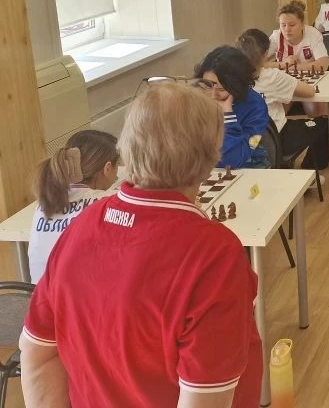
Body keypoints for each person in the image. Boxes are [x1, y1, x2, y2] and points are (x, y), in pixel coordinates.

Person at [20, 82, 263, 407]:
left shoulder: (80, 227)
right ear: (209, 158)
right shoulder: (215, 254)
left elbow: (38, 355)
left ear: (127, 147)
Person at [237, 28, 329, 171]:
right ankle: (310, 171)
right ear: (265, 54)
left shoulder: (230, 79)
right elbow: (309, 91)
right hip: (278, 138)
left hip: (244, 142)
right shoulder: (271, 76)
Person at [28, 130, 119, 283]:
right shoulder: (105, 202)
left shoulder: (45, 200)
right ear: (108, 168)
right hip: (76, 296)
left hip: (39, 295)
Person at [195, 46, 270, 169]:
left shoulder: (256, 108)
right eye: (207, 86)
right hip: (206, 169)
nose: (213, 96)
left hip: (250, 168)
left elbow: (232, 159)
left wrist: (227, 116)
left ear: (237, 86)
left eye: (221, 89)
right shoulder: (197, 97)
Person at [268, 0, 329, 72]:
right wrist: (284, 64)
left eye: (292, 25)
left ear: (302, 24)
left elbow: (323, 64)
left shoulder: (313, 34)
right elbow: (258, 63)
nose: (287, 29)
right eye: (283, 25)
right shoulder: (276, 36)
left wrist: (293, 67)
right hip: (283, 77)